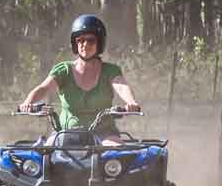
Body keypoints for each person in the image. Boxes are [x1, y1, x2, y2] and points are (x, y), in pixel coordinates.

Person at [18, 14, 141, 143]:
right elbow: (44, 88)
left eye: (91, 40)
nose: (85, 44)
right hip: (65, 133)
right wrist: (28, 102)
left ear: (99, 43)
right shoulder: (63, 70)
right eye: (80, 40)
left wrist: (131, 102)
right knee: (46, 154)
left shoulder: (110, 70)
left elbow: (121, 86)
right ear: (75, 44)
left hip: (104, 134)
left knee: (116, 152)